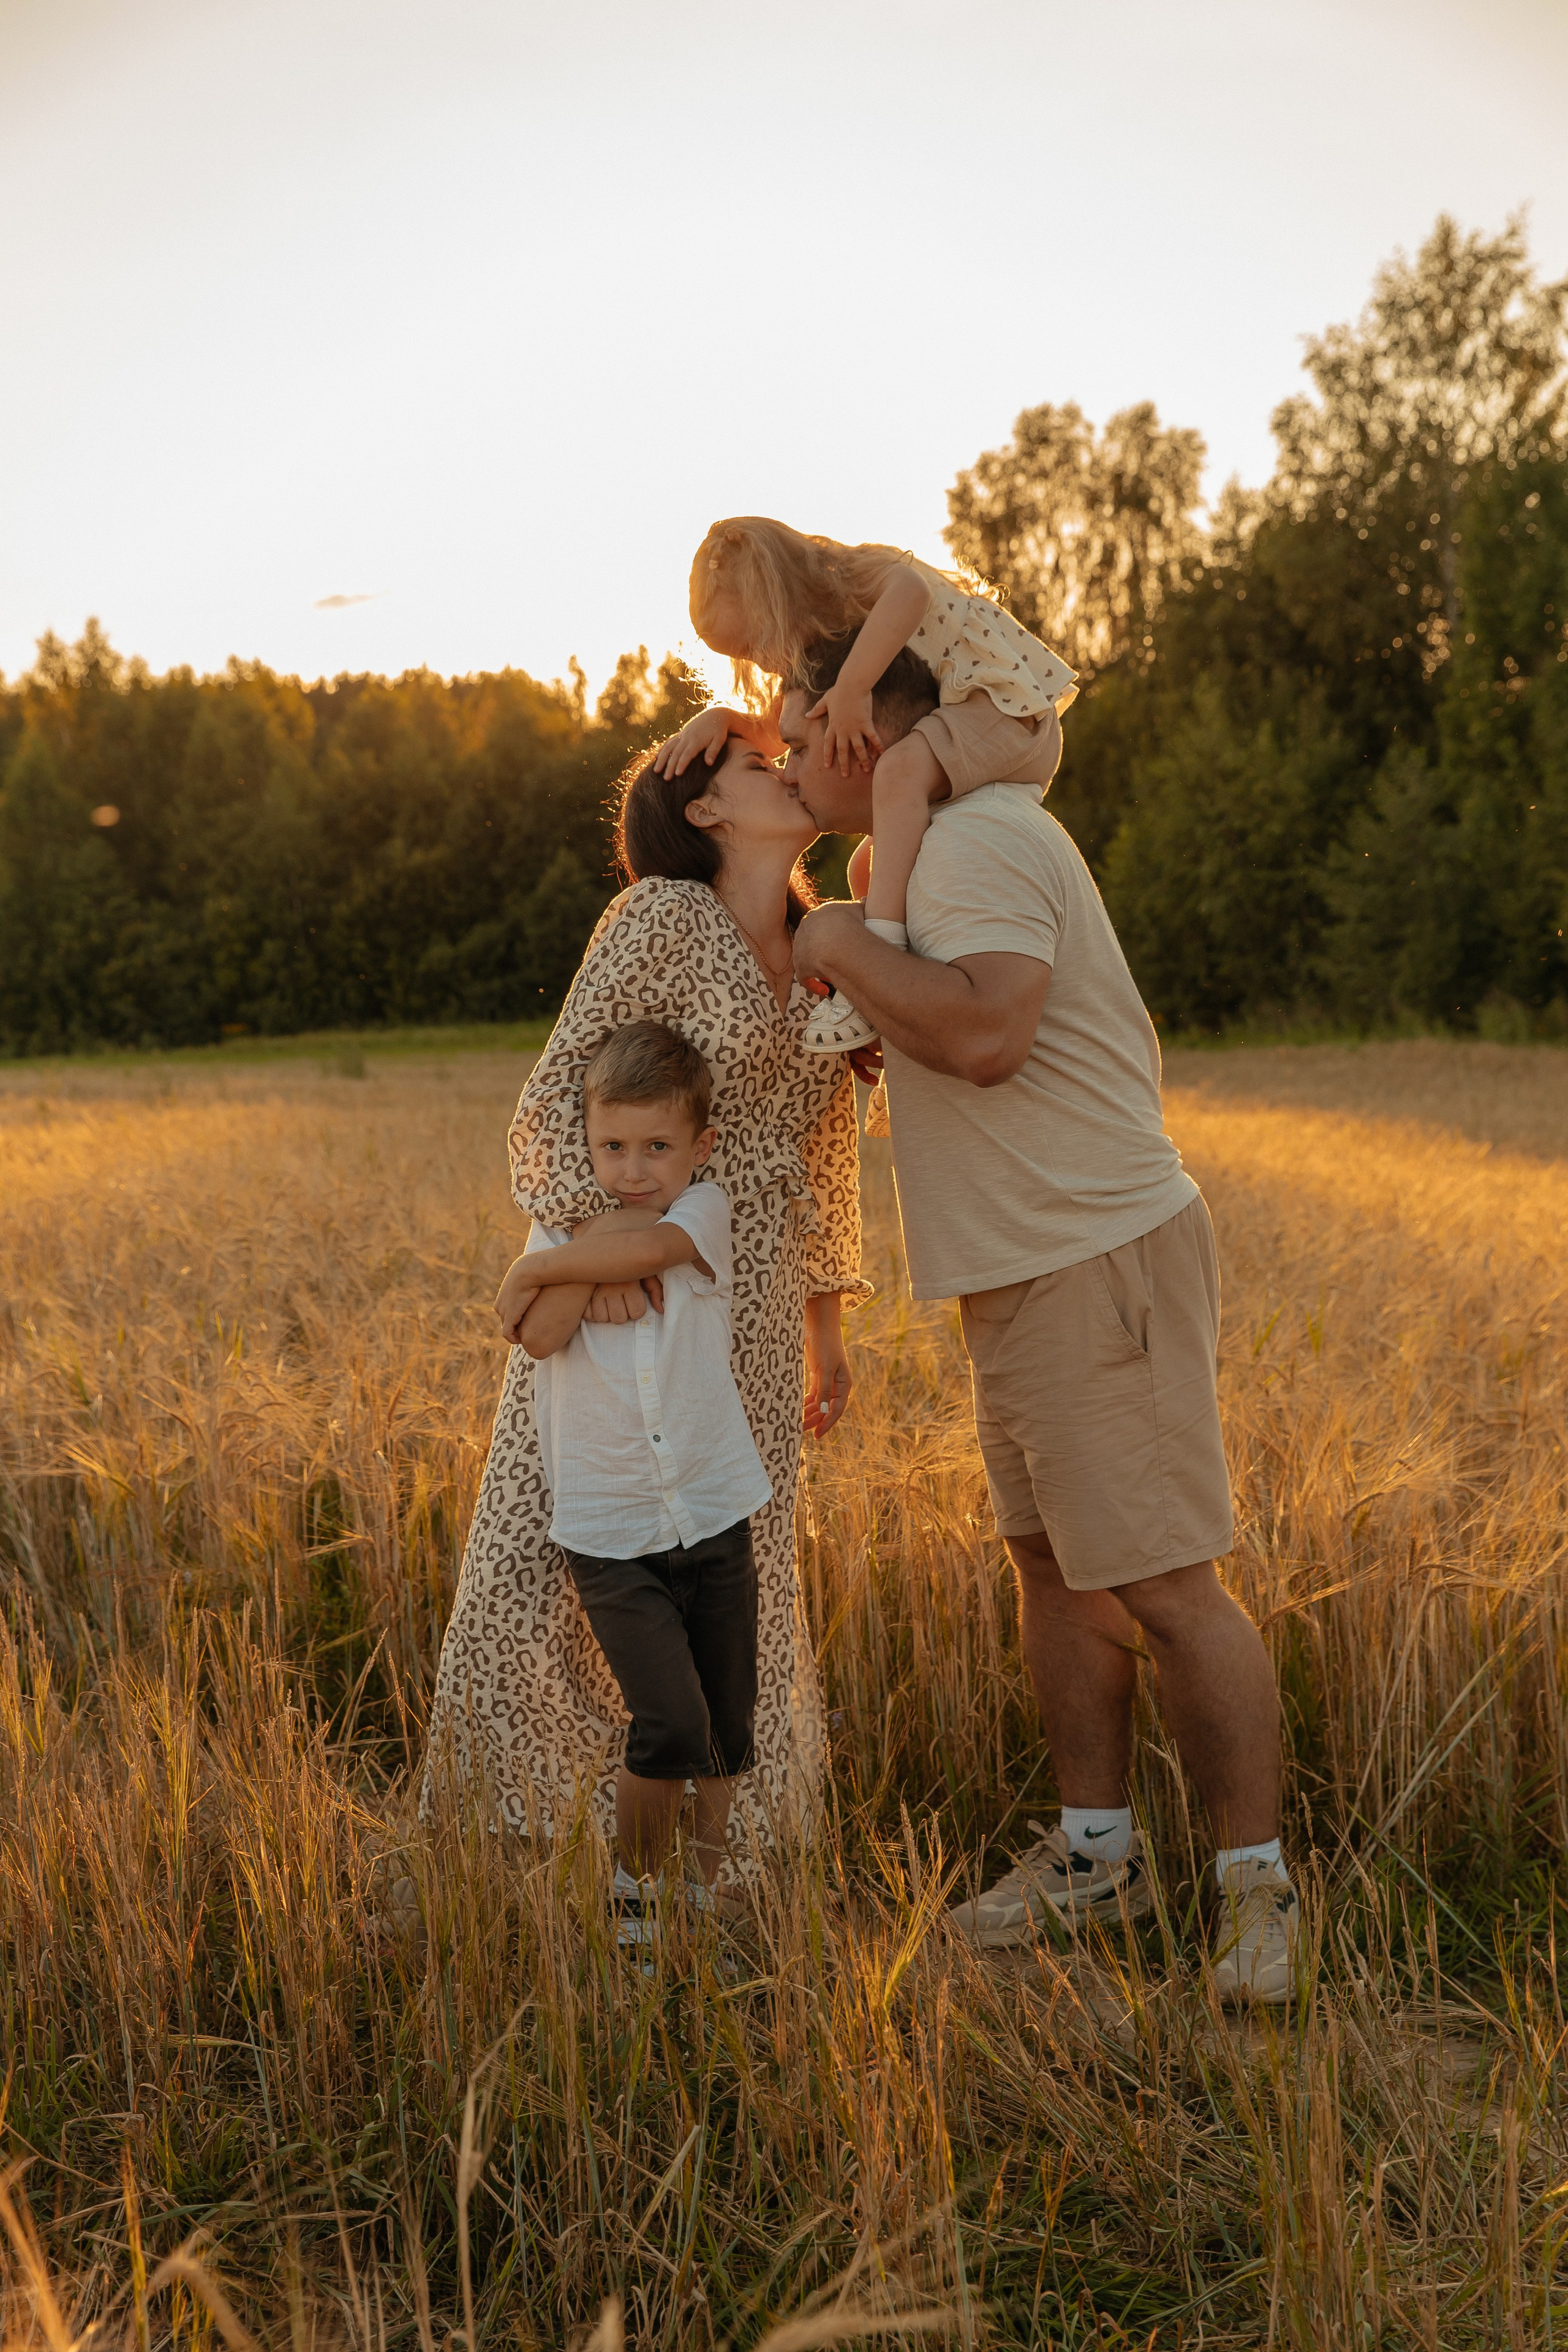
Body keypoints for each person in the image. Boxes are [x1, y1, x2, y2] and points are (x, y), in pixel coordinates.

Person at [777, 632, 1302, 2006]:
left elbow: (992, 1032)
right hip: (1016, 1269)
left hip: (1089, 1252)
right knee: (1057, 1575)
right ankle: (1096, 1861)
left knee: (1164, 1589)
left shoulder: (976, 840)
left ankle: (1260, 1900)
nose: (786, 751)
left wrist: (834, 938)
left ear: (870, 733)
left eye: (803, 722)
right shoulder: (914, 858)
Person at [422, 733, 869, 1871]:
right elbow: (557, 1096)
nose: (790, 766)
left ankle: (725, 1851)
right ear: (706, 811)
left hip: (751, 1298)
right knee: (551, 1535)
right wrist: (601, 1250)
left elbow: (825, 1151)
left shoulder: (826, 948)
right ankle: (517, 1836)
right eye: (759, 763)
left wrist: (826, 1327)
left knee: (733, 1553)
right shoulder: (664, 919)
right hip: (619, 1264)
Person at [494, 1019, 771, 1934]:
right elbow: (536, 1337)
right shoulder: (570, 1224)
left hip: (713, 1507)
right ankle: (637, 1905)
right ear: (586, 1140)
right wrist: (587, 1251)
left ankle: (702, 1891)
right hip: (610, 1529)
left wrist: (541, 1267)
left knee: (728, 1727)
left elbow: (648, 1253)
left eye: (659, 1147)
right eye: (612, 1147)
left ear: (703, 1147)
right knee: (671, 1728)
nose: (636, 1169)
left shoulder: (706, 1213)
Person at [656, 516, 1076, 1054]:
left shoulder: (850, 575)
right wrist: (716, 718)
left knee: (899, 771)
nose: (761, 660)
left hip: (1008, 711)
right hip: (974, 718)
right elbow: (775, 730)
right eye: (747, 657)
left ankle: (880, 946)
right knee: (865, 869)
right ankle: (893, 997)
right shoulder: (826, 642)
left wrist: (854, 687)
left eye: (756, 642)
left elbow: (912, 590)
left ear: (772, 600)